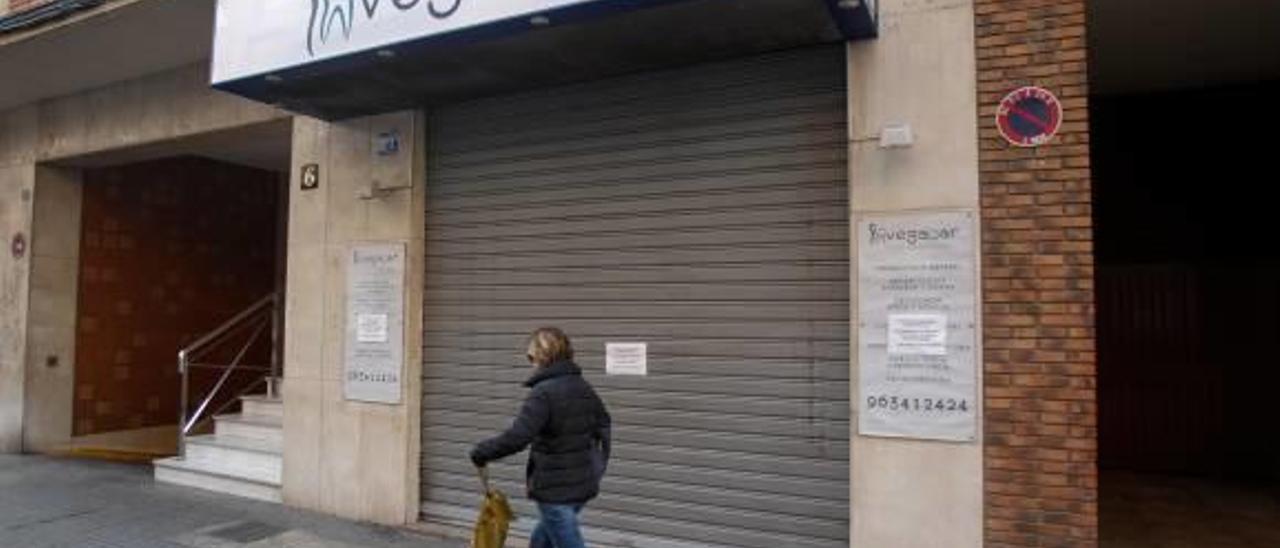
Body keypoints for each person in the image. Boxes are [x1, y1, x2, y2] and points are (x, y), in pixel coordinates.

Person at [470, 327, 612, 548]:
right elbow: (603, 426)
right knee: (542, 539)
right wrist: (597, 466)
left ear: (542, 356)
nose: (531, 362)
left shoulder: (543, 393)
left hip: (556, 491)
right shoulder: (583, 387)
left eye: (531, 356)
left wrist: (482, 452)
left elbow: (518, 437)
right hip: (581, 486)